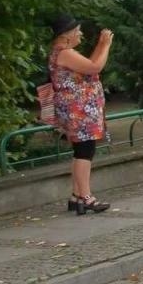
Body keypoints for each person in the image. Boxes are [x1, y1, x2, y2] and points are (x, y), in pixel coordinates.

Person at [48, 14, 112, 214]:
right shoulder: (64, 53)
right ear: (67, 35)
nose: (81, 35)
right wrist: (106, 44)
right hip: (78, 110)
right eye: (78, 31)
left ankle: (77, 197)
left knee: (82, 151)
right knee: (85, 150)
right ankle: (86, 196)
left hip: (78, 109)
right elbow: (95, 67)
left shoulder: (63, 52)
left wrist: (101, 46)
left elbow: (89, 67)